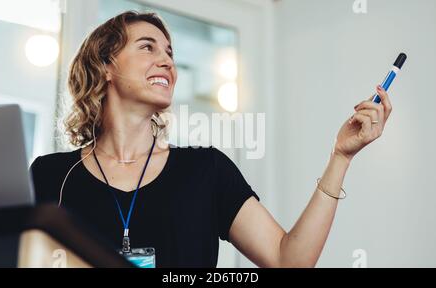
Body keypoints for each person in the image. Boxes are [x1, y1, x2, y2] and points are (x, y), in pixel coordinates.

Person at [30, 11, 393, 268]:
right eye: (147, 47)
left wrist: (341, 157)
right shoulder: (50, 175)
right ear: (106, 65)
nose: (167, 62)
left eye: (169, 52)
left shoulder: (206, 169)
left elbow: (289, 261)